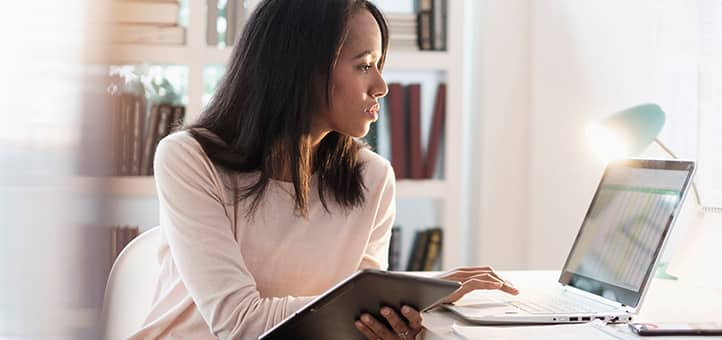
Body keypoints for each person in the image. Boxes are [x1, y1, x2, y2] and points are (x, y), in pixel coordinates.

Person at [128, 0, 518, 339]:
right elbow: (239, 323)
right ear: (302, 69)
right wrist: (422, 291)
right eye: (365, 66)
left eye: (379, 65)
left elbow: (359, 322)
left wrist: (393, 320)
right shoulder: (189, 159)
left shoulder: (373, 178)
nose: (381, 85)